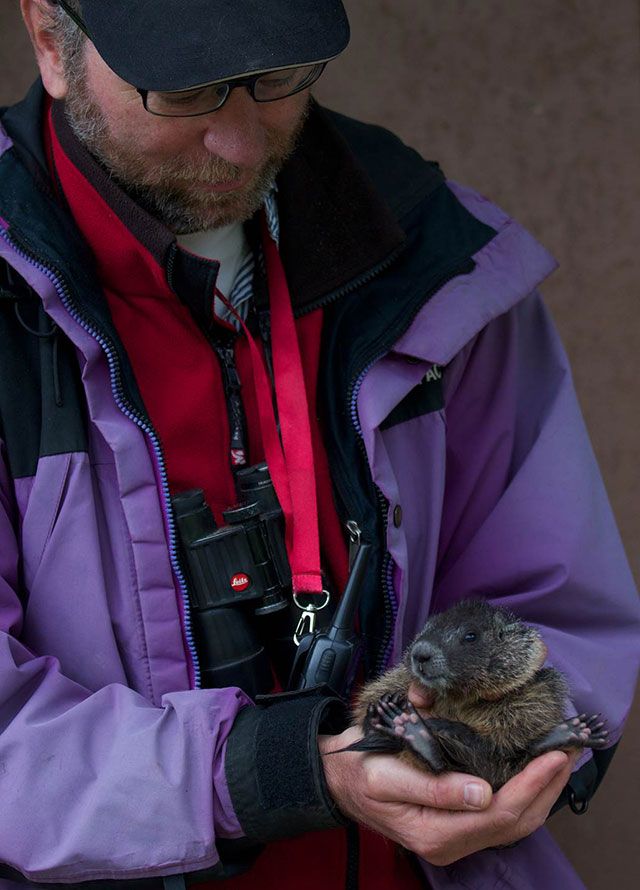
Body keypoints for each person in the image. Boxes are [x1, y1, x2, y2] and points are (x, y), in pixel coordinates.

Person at [0, 2, 637, 889]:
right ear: (48, 38)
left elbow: (558, 614)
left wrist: (509, 758)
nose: (237, 141)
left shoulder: (439, 255)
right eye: (187, 88)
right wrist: (266, 776)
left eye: (275, 78)